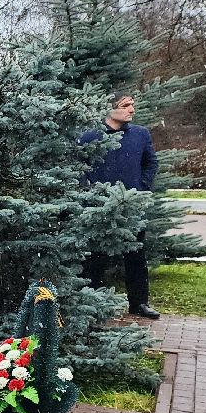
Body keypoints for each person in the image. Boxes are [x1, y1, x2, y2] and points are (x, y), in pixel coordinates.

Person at [80, 94, 161, 320]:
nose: (131, 110)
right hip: (98, 209)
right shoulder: (90, 136)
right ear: (110, 109)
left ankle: (139, 304)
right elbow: (78, 166)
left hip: (132, 207)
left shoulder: (140, 135)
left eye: (132, 105)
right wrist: (88, 191)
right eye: (126, 106)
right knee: (96, 259)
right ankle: (93, 305)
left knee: (135, 257)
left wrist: (140, 188)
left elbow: (151, 163)